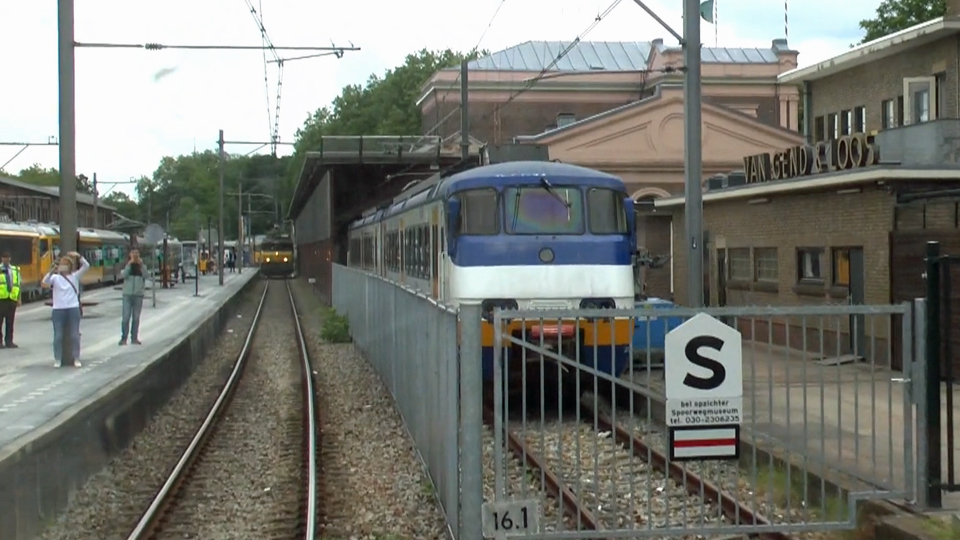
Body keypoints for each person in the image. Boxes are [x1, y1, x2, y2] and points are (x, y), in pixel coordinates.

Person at [42, 253, 89, 368]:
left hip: (73, 308)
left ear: (70, 266)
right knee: (58, 335)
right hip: (58, 309)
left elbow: (86, 266)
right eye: (62, 264)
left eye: (66, 264)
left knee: (74, 334)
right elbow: (44, 282)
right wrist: (52, 270)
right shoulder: (55, 278)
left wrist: (78, 256)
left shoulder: (75, 276)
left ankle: (76, 358)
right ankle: (58, 359)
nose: (64, 266)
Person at [120, 250, 146, 345]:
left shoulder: (141, 266)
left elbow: (146, 275)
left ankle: (134, 338)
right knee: (125, 317)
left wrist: (141, 265)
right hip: (127, 294)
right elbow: (124, 275)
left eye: (137, 254)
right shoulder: (127, 265)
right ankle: (124, 338)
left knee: (136, 317)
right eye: (133, 254)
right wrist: (129, 264)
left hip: (138, 295)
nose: (135, 256)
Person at [0, 252, 21, 348]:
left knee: (10, 321)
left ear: (10, 259)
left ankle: (9, 341)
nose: (6, 259)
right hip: (1, 299)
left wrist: (18, 299)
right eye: (4, 258)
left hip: (12, 299)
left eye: (8, 258)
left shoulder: (15, 270)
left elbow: (18, 284)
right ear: (1, 259)